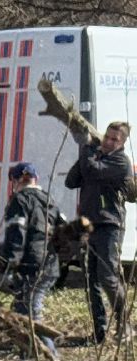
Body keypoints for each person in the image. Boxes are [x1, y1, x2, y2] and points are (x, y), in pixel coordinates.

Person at [65, 119, 132, 344]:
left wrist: (86, 148)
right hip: (89, 226)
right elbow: (71, 181)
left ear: (122, 143)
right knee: (90, 279)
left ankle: (124, 325)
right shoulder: (94, 157)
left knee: (108, 277)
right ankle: (99, 332)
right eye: (107, 137)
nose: (109, 142)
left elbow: (93, 171)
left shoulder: (120, 162)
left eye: (115, 139)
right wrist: (87, 152)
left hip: (109, 225)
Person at [0, 162, 62, 361]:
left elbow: (16, 235)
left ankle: (51, 360)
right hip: (50, 263)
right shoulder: (49, 200)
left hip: (30, 265)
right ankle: (27, 356)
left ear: (14, 181)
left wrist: (10, 266)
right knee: (21, 308)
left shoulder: (19, 200)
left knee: (31, 313)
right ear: (36, 179)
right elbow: (64, 230)